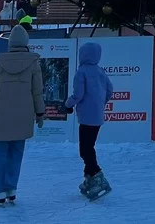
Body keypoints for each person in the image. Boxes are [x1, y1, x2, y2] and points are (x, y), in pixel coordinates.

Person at [0, 24, 44, 206]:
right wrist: (40, 112)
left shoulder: (1, 61)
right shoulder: (33, 62)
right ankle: (11, 188)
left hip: (1, 114)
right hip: (24, 114)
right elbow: (37, 91)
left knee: (0, 153)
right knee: (16, 153)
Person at [65, 41, 114, 200]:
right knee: (89, 147)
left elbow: (78, 94)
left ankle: (97, 175)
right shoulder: (100, 71)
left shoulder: (82, 72)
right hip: (97, 116)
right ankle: (88, 178)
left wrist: (68, 104)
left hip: (86, 117)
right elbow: (110, 90)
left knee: (85, 150)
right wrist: (100, 103)